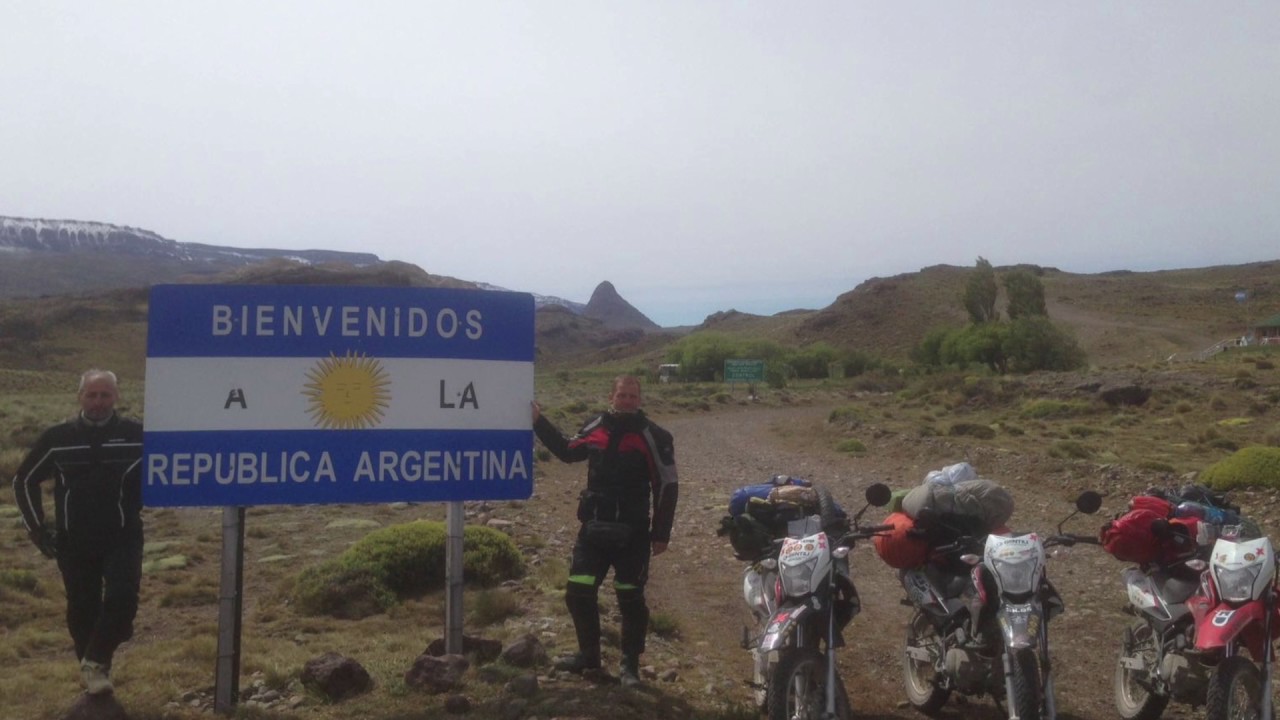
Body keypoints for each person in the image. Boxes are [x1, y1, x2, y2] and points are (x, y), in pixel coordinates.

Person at [532, 374, 679, 687]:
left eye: (632, 396)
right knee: (577, 592)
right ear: (611, 396)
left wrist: (661, 533)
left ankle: (629, 666)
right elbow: (567, 450)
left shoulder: (654, 435)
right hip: (594, 530)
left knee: (630, 599)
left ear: (639, 399)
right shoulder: (595, 426)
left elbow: (667, 485)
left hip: (634, 532)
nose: (627, 400)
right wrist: (538, 421)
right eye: (622, 395)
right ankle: (589, 656)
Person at [12, 369, 144, 695]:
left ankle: (97, 657)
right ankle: (95, 674)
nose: (98, 402)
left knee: (123, 600)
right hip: (74, 540)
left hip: (123, 535)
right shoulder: (58, 437)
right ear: (80, 397)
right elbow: (24, 480)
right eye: (92, 395)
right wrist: (37, 530)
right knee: (82, 608)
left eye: (105, 395)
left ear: (116, 397)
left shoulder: (138, 435)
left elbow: (171, 465)